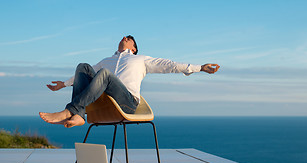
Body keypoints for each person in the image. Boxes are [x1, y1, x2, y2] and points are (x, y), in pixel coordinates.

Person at [39, 35, 220, 128]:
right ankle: (78, 115)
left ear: (133, 48)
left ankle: (70, 111)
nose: (124, 37)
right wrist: (63, 84)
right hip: (104, 102)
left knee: (104, 74)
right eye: (124, 36)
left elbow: (169, 65)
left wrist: (200, 67)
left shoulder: (140, 59)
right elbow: (81, 77)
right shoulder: (106, 60)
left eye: (129, 39)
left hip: (127, 103)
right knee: (83, 67)